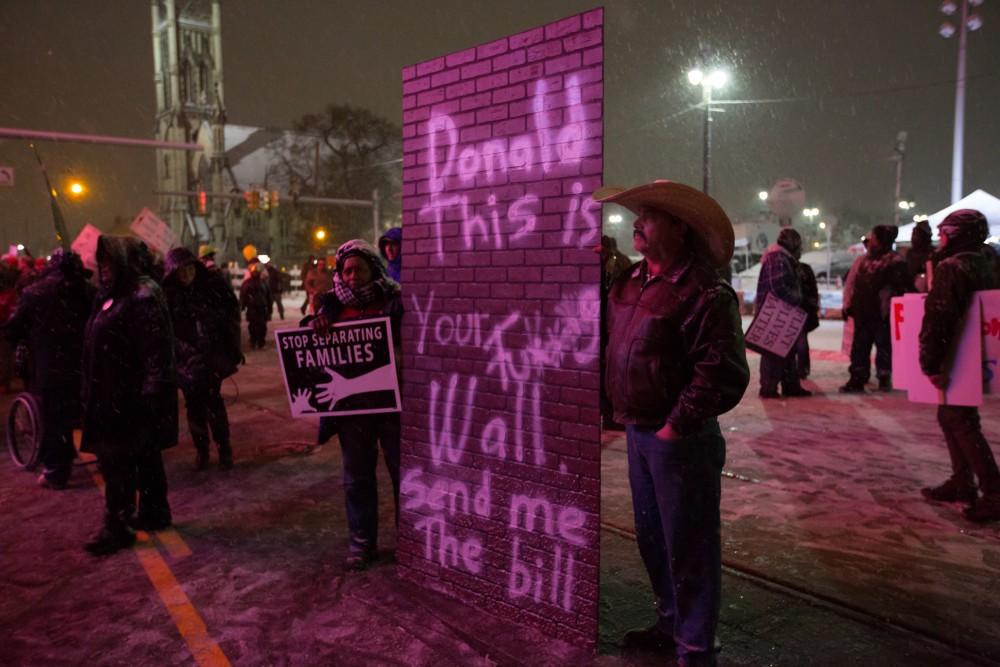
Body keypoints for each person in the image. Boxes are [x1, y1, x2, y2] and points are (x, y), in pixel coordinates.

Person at [597, 180, 750, 666]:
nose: (637, 224)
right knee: (653, 537)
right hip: (640, 433)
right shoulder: (628, 283)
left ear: (679, 228)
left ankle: (695, 646)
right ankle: (670, 622)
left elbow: (721, 373)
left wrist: (675, 426)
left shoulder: (705, 291)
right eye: (639, 216)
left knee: (690, 544)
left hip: (679, 440)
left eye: (650, 216)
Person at [309, 239, 403, 571]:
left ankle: (410, 541)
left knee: (402, 476)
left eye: (358, 269)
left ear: (372, 269)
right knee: (357, 479)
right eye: (346, 270)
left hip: (392, 407)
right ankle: (362, 544)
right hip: (353, 412)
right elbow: (308, 351)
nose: (351, 276)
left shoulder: (393, 301)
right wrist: (316, 325)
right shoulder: (330, 306)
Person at [81, 236, 178, 554]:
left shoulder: (141, 294)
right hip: (111, 394)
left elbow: (155, 348)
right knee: (141, 456)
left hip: (127, 397)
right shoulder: (113, 294)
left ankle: (117, 524)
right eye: (102, 263)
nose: (104, 269)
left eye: (109, 262)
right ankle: (153, 512)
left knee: (119, 461)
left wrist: (152, 391)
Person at [919, 210, 1000, 523]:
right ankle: (962, 481)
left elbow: (940, 316)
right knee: (954, 414)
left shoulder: (953, 267)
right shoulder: (987, 263)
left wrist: (931, 361)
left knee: (959, 418)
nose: (940, 240)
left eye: (944, 234)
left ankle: (992, 491)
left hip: (957, 355)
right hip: (979, 355)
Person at [3, 250, 95, 488]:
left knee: (54, 420)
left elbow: (13, 329)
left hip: (50, 368)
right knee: (89, 410)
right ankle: (104, 453)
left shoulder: (34, 293)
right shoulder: (88, 291)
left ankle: (56, 471)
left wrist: (27, 340)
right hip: (84, 365)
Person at [163, 247, 242, 470]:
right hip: (186, 364)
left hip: (210, 360)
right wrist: (186, 353)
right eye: (181, 271)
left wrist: (216, 347)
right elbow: (167, 331)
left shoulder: (210, 289)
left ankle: (224, 448)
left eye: (190, 268)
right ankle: (202, 451)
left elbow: (228, 316)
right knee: (194, 408)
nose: (187, 274)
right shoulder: (169, 296)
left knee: (214, 404)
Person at [839, 224, 909, 393]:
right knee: (861, 348)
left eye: (873, 237)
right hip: (863, 312)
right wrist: (848, 304)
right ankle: (858, 377)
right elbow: (852, 283)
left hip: (882, 313)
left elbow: (903, 288)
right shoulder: (864, 260)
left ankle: (882, 377)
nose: (870, 240)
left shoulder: (895, 261)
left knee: (882, 347)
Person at [755, 228, 811, 398]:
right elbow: (778, 288)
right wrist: (798, 298)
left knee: (786, 351)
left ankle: (789, 385)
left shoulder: (782, 258)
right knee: (774, 352)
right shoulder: (778, 259)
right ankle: (769, 387)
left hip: (780, 313)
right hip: (777, 313)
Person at [796, 259, 820, 378]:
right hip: (804, 310)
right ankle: (803, 369)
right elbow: (814, 290)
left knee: (799, 341)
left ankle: (800, 369)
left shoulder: (790, 268)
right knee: (802, 341)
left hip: (796, 309)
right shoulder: (804, 269)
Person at [240, 262, 271, 349]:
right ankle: (254, 341)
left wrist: (269, 309)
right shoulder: (247, 283)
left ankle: (261, 341)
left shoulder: (264, 283)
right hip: (252, 308)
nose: (255, 273)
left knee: (262, 326)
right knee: (253, 326)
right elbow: (243, 295)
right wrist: (242, 306)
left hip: (262, 308)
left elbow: (268, 297)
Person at [905, 219, 933, 291]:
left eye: (916, 235)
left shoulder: (932, 253)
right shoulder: (911, 252)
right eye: (913, 234)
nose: (912, 238)